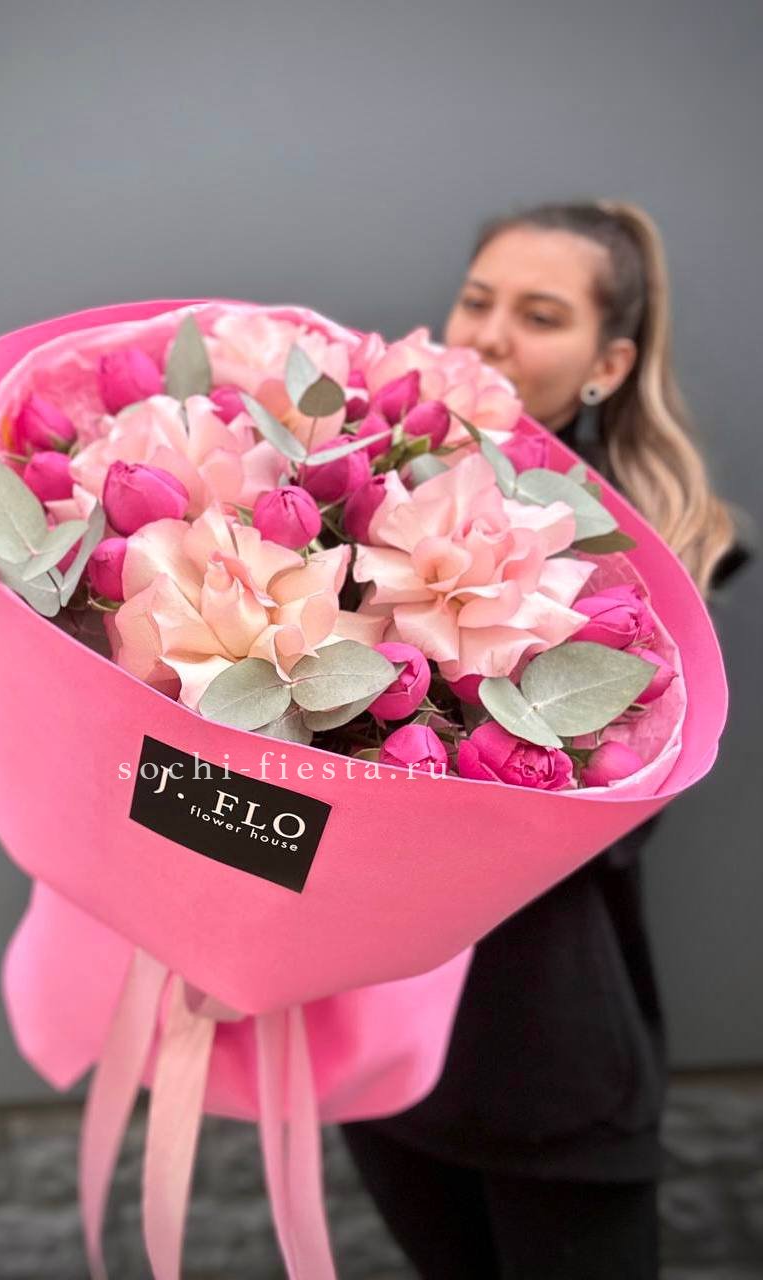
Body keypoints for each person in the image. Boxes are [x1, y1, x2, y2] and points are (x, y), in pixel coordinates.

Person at [342, 201, 749, 1280]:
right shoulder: (369, 492)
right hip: (382, 1041)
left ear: (607, 363)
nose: (488, 335)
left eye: (539, 315)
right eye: (476, 301)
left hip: (548, 1055)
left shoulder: (654, 554)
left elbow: (614, 827)